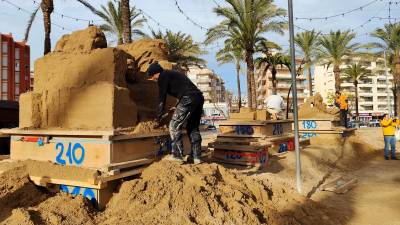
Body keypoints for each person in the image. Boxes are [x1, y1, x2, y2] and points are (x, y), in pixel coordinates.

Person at [147, 62, 204, 164]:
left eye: (152, 77)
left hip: (188, 98)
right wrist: (177, 106)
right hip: (198, 97)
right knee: (192, 127)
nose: (153, 79)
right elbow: (184, 89)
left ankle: (177, 156)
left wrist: (158, 117)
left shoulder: (163, 76)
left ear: (156, 73)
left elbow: (161, 99)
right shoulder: (171, 74)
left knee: (174, 125)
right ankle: (196, 157)